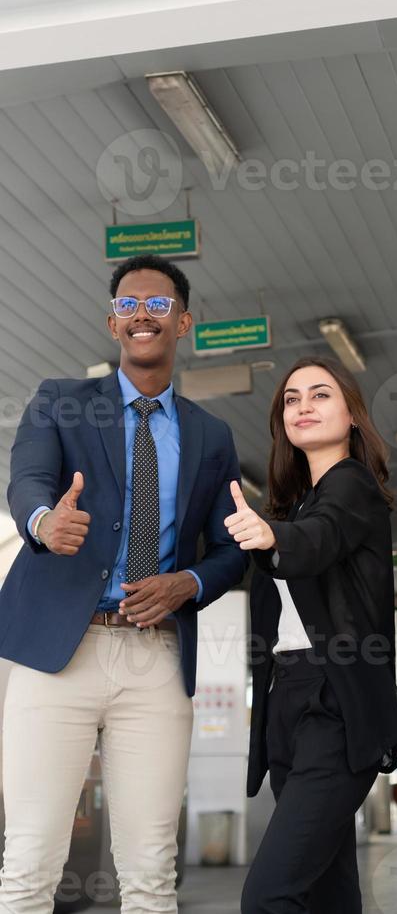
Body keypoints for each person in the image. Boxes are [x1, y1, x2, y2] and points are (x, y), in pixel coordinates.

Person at [0, 254, 247, 913]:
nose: (144, 313)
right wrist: (45, 520)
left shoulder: (212, 435)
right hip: (59, 654)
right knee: (28, 863)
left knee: (149, 872)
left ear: (183, 321)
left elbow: (231, 550)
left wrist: (188, 581)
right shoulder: (60, 400)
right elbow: (26, 478)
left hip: (155, 660)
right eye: (131, 304)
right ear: (113, 322)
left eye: (159, 304)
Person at [224, 355, 397, 914]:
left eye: (321, 394)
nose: (303, 405)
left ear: (353, 414)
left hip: (335, 704)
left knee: (268, 896)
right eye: (292, 398)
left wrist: (271, 536)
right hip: (288, 700)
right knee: (328, 893)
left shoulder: (351, 486)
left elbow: (318, 539)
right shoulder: (297, 502)